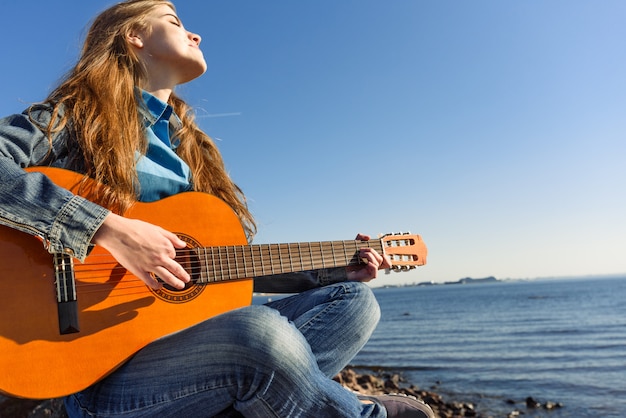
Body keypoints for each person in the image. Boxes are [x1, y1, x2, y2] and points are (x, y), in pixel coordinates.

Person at [0, 1, 434, 417]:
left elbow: (221, 268)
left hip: (195, 357)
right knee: (260, 335)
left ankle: (276, 398)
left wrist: (340, 266)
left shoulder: (192, 151)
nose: (196, 32)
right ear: (133, 36)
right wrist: (109, 229)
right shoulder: (73, 116)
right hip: (104, 381)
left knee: (355, 301)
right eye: (173, 20)